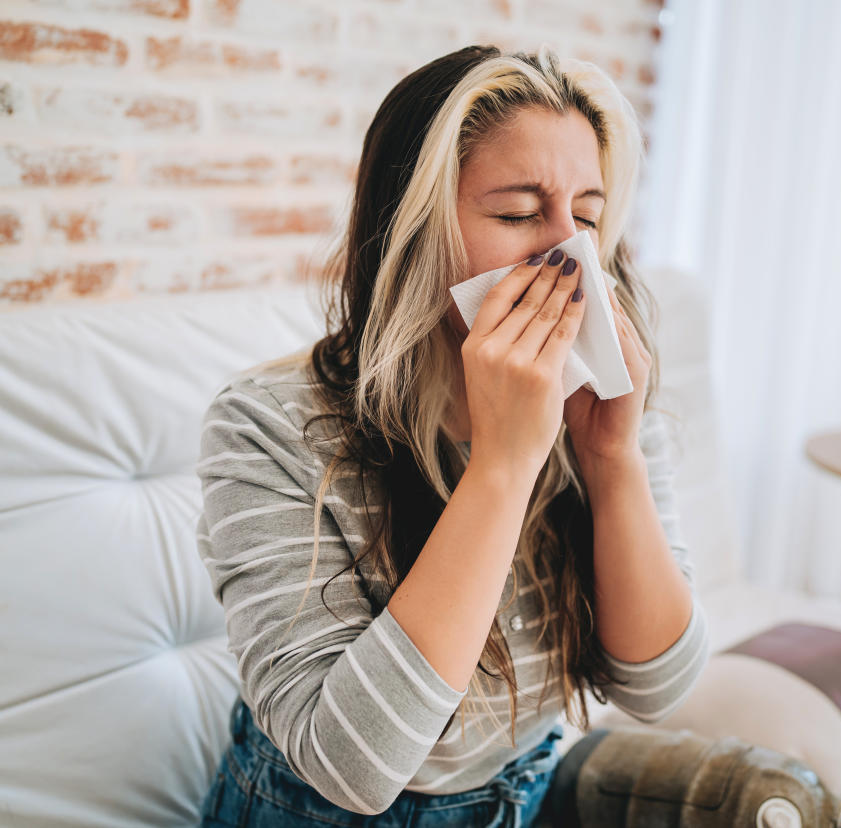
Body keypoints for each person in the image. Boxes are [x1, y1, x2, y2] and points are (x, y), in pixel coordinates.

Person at [195, 43, 711, 827]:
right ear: (414, 229)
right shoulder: (268, 426)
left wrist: (612, 458)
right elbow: (351, 769)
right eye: (516, 213)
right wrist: (503, 464)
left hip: (517, 797)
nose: (566, 251)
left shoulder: (601, 403)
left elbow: (659, 688)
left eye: (589, 217)